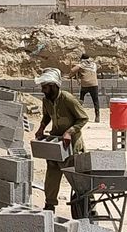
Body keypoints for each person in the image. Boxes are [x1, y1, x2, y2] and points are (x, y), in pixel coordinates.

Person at [31, 68, 88, 212]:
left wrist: (69, 132)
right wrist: (41, 128)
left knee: (76, 177)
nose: (43, 90)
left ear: (54, 86)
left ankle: (87, 204)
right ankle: (50, 205)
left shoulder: (68, 99)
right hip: (56, 144)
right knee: (52, 175)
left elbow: (83, 118)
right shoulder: (46, 100)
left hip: (72, 144)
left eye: (45, 87)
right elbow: (47, 116)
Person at [73, 54, 101, 121]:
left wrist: (70, 75)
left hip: (85, 85)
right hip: (94, 84)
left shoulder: (82, 64)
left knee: (81, 99)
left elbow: (73, 70)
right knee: (96, 101)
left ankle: (79, 115)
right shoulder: (94, 65)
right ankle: (97, 117)